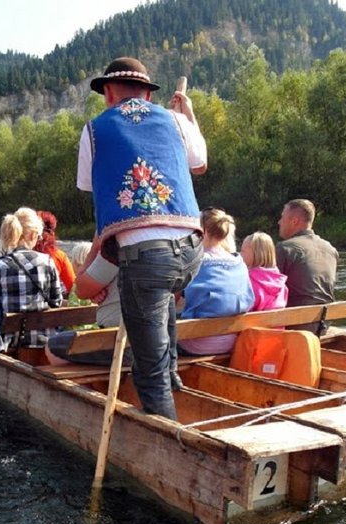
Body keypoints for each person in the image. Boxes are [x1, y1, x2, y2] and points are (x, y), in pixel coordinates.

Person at [75, 56, 207, 420]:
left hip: (147, 259)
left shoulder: (94, 130)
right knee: (163, 300)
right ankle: (173, 371)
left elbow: (90, 185)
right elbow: (200, 163)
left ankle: (169, 437)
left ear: (109, 93)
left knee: (146, 373)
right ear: (148, 93)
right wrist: (188, 115)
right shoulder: (178, 120)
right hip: (193, 252)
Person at [0, 208, 63, 355]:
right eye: (38, 236)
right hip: (43, 337)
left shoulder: (0, 265)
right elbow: (57, 301)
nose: (39, 240)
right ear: (32, 234)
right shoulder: (48, 262)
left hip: (7, 339)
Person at [178, 208, 255, 355]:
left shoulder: (195, 263)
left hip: (197, 343)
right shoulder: (239, 262)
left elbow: (171, 301)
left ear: (202, 231)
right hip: (231, 341)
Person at [45, 241, 130, 367]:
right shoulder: (158, 250)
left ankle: (76, 383)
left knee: (51, 346)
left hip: (120, 342)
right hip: (148, 341)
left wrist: (95, 246)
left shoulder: (112, 253)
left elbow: (81, 290)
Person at [275, 198, 339, 334]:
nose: (279, 222)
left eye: (282, 217)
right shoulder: (330, 249)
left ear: (294, 221)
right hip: (322, 324)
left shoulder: (285, 248)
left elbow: (270, 291)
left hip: (295, 325)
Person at [241, 231, 288, 312]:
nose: (240, 255)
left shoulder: (248, 282)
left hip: (252, 324)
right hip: (276, 324)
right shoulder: (282, 285)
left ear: (255, 254)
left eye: (242, 251)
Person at [36, 210, 76, 293]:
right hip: (53, 303)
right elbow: (73, 288)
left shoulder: (18, 256)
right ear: (52, 232)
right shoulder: (59, 256)